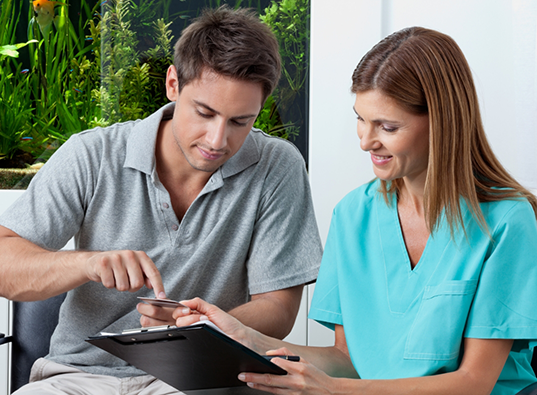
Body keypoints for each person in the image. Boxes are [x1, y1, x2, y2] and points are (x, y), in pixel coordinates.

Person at [173, 27, 537, 395]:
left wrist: (336, 391)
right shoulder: (354, 215)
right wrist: (243, 337)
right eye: (360, 119)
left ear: (442, 122)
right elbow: (347, 361)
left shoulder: (506, 221)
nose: (365, 141)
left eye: (387, 126)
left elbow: (474, 382)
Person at [0, 6, 322, 394]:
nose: (217, 141)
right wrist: (88, 262)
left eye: (241, 121)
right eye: (204, 112)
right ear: (173, 84)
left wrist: (205, 325)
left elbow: (279, 307)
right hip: (77, 377)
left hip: (198, 380)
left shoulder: (278, 166)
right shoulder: (91, 153)